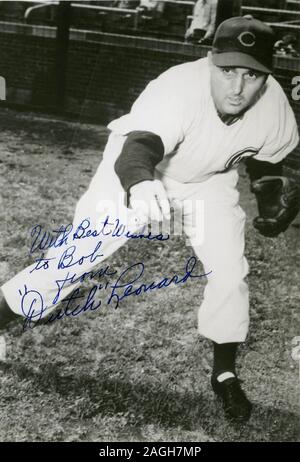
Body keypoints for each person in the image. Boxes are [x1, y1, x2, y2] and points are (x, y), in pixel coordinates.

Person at [0, 16, 299, 422]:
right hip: (135, 169)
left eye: (252, 75)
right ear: (211, 61)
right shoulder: (178, 87)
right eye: (228, 70)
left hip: (208, 180)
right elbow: (140, 146)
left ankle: (224, 373)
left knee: (230, 270)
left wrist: (269, 201)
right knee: (77, 256)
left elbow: (266, 159)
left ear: (267, 77)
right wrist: (140, 186)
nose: (237, 86)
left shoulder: (273, 104)